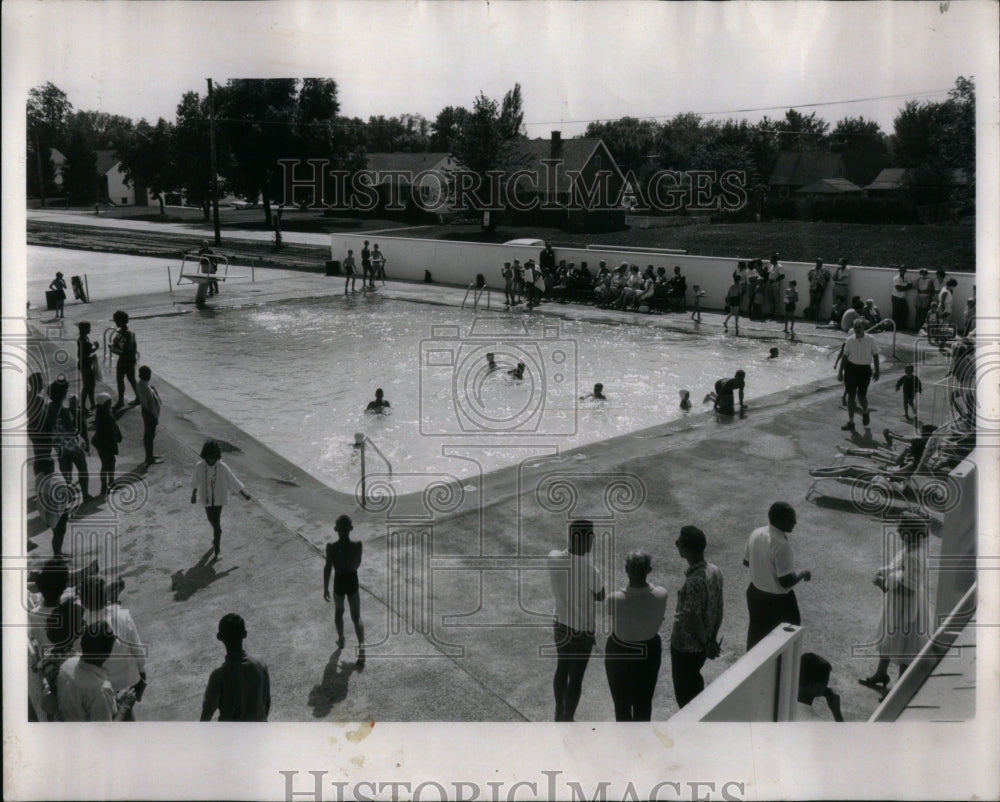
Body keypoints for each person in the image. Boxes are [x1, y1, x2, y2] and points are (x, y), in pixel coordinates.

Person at [859, 515, 932, 693]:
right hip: (898, 602)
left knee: (905, 643)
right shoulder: (911, 549)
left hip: (907, 606)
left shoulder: (914, 555)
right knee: (889, 636)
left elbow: (909, 589)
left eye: (902, 528)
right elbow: (900, 574)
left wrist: (884, 585)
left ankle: (900, 688)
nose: (898, 530)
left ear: (912, 533)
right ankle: (881, 673)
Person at [548, 519, 605, 722]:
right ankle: (568, 718)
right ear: (587, 541)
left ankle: (558, 712)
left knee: (562, 668)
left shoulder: (553, 557)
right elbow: (600, 595)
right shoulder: (591, 571)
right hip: (582, 630)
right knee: (576, 677)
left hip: (561, 624)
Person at [604, 551, 668, 721]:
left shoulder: (613, 599)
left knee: (621, 704)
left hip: (620, 651)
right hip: (649, 651)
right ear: (650, 570)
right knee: (644, 703)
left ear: (626, 569)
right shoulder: (661, 594)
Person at [743, 502, 811, 650]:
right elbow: (786, 582)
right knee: (785, 641)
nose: (795, 522)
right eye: (791, 519)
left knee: (756, 636)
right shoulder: (781, 544)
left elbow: (746, 561)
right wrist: (803, 573)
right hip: (778, 602)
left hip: (755, 594)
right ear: (779, 520)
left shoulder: (756, 533)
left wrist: (763, 570)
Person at [670, 526, 724, 708]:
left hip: (687, 647)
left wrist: (705, 643)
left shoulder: (693, 582)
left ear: (686, 550)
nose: (676, 546)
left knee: (685, 696)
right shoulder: (715, 571)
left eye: (679, 543)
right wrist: (712, 637)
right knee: (695, 683)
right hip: (704, 642)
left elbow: (693, 617)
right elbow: (719, 606)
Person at [81, 576, 147, 720]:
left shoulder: (82, 626)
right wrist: (142, 671)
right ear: (106, 597)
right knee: (127, 712)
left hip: (104, 685)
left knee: (118, 714)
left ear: (84, 602)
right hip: (129, 678)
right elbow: (137, 648)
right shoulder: (123, 615)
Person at [57, 622, 137, 722]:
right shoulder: (99, 691)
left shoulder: (67, 665)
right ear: (107, 652)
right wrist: (124, 707)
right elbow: (105, 733)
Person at [200, 613, 272, 722]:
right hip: (260, 732)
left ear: (219, 637)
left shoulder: (218, 676)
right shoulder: (260, 665)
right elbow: (266, 703)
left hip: (232, 736)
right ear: (245, 634)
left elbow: (206, 714)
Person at [191, 440, 252, 560]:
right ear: (205, 456)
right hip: (206, 498)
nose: (211, 461)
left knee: (216, 522)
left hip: (219, 498)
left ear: (217, 456)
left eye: (213, 458)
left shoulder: (222, 467)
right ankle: (217, 533)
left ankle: (217, 550)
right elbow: (195, 480)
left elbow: (233, 480)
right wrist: (193, 494)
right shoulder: (199, 466)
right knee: (210, 519)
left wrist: (244, 494)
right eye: (208, 458)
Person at [323, 515, 366, 662]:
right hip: (352, 578)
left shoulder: (331, 547)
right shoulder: (358, 545)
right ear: (351, 528)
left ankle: (341, 639)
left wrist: (325, 588)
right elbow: (357, 563)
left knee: (339, 612)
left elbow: (327, 568)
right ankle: (361, 646)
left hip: (339, 580)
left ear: (336, 529)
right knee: (356, 616)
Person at [46, 378, 93, 502]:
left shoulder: (49, 408)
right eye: (65, 391)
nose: (67, 393)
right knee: (83, 468)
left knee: (65, 471)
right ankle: (86, 495)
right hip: (71, 444)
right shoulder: (64, 411)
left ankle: (67, 496)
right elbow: (72, 430)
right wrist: (78, 427)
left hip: (58, 444)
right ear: (61, 394)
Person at [837, 318, 880, 431]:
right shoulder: (849, 340)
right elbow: (845, 356)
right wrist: (840, 371)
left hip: (865, 371)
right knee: (851, 396)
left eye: (859, 327)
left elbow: (875, 355)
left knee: (861, 397)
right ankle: (851, 422)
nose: (857, 329)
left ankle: (865, 411)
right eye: (855, 327)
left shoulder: (871, 339)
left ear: (864, 328)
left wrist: (877, 370)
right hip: (851, 369)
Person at [33, 458, 71, 556]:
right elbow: (42, 502)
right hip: (52, 512)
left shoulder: (56, 473)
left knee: (61, 532)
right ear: (42, 468)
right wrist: (46, 519)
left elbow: (63, 485)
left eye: (52, 466)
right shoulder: (40, 479)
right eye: (48, 466)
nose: (51, 468)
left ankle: (58, 553)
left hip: (62, 508)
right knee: (57, 533)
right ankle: (57, 554)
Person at [796, 653, 844, 721]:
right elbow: (843, 732)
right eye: (826, 683)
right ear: (814, 686)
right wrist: (837, 712)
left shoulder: (780, 706)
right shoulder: (816, 722)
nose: (827, 687)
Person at [90, 392, 122, 496]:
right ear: (105, 404)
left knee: (109, 463)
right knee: (107, 464)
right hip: (105, 444)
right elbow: (111, 432)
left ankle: (109, 484)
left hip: (102, 444)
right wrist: (115, 443)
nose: (111, 404)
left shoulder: (101, 414)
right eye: (109, 402)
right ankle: (106, 486)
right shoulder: (106, 416)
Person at [110, 310, 139, 410]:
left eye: (116, 321)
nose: (115, 323)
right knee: (127, 379)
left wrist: (113, 349)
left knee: (127, 379)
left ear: (121, 321)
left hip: (127, 360)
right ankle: (122, 400)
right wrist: (115, 346)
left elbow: (126, 350)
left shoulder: (127, 333)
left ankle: (122, 401)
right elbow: (118, 343)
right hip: (127, 359)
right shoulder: (122, 332)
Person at [135, 365, 162, 468]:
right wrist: (153, 418)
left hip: (146, 412)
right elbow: (149, 404)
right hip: (149, 413)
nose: (150, 376)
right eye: (149, 374)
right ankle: (149, 458)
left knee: (149, 435)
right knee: (149, 436)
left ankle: (150, 456)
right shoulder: (146, 388)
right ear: (146, 375)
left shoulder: (141, 384)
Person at [76, 321, 100, 415]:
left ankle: (92, 403)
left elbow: (88, 351)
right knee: (87, 386)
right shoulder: (81, 339)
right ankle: (83, 405)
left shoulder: (85, 337)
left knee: (92, 385)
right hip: (85, 365)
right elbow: (80, 355)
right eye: (89, 328)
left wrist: (96, 348)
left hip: (87, 364)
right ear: (85, 329)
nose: (90, 329)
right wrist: (91, 357)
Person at [890, 265, 913, 331]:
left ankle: (901, 326)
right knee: (896, 313)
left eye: (904, 270)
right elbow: (899, 289)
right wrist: (907, 286)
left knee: (905, 312)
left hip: (903, 298)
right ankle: (895, 327)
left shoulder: (906, 277)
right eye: (902, 270)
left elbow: (911, 285)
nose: (903, 271)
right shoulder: (896, 278)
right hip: (896, 297)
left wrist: (905, 287)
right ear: (899, 270)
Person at [914, 268, 936, 333]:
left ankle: (922, 328)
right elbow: (916, 288)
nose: (922, 274)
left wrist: (922, 291)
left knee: (924, 313)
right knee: (918, 312)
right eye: (921, 272)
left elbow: (929, 290)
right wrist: (921, 291)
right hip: (919, 297)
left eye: (924, 272)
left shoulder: (929, 280)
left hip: (926, 298)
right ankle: (917, 327)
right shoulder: (918, 280)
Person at [768, 253, 785, 319]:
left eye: (771, 259)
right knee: (771, 299)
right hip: (770, 283)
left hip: (775, 284)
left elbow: (782, 276)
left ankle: (777, 314)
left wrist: (774, 280)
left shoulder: (779, 266)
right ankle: (771, 313)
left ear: (775, 260)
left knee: (776, 299)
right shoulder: (772, 266)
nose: (770, 260)